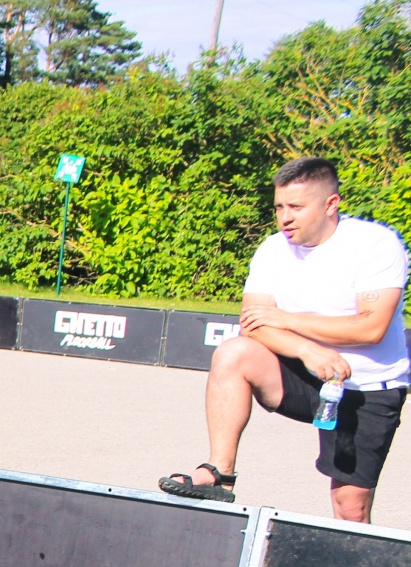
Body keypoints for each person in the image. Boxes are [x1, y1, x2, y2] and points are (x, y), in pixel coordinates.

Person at [158, 157, 407, 522]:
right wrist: (306, 350)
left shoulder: (376, 244)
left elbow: (370, 328)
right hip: (304, 373)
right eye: (279, 207)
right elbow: (253, 325)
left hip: (366, 387)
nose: (285, 217)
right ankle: (219, 473)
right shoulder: (272, 249)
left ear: (331, 204)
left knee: (350, 507)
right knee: (234, 353)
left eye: (296, 207)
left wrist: (287, 320)